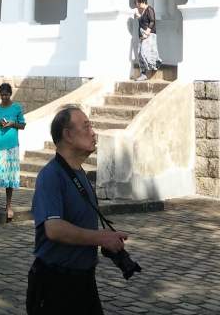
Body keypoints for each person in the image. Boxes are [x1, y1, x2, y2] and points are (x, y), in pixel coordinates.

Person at [28, 106, 129, 314]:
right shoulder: (51, 176)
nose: (93, 133)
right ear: (68, 135)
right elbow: (54, 229)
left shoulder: (79, 173)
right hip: (55, 284)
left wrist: (106, 239)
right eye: (86, 126)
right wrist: (101, 238)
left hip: (83, 281)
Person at [0, 82, 27, 221]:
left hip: (12, 146)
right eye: (2, 95)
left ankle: (8, 205)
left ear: (10, 94)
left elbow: (22, 125)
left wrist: (12, 124)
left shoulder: (16, 108)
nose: (4, 97)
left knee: (9, 177)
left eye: (7, 94)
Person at [132, 0, 161, 81]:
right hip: (142, 36)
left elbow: (152, 21)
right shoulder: (143, 11)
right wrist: (138, 16)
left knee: (144, 52)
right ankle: (143, 74)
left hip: (149, 35)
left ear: (142, 2)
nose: (137, 5)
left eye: (138, 3)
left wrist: (147, 32)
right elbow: (142, 22)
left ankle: (156, 63)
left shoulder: (149, 9)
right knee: (140, 54)